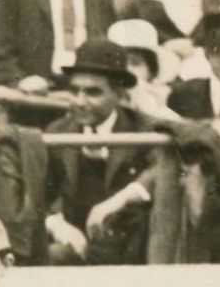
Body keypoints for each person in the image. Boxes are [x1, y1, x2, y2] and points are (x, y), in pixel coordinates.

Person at [41, 38, 165, 265]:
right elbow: (41, 194)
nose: (80, 101)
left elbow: (164, 168)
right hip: (77, 246)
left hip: (132, 250)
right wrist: (57, 224)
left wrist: (119, 199)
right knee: (53, 256)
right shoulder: (58, 132)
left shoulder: (143, 129)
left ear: (119, 94)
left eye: (93, 92)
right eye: (75, 91)